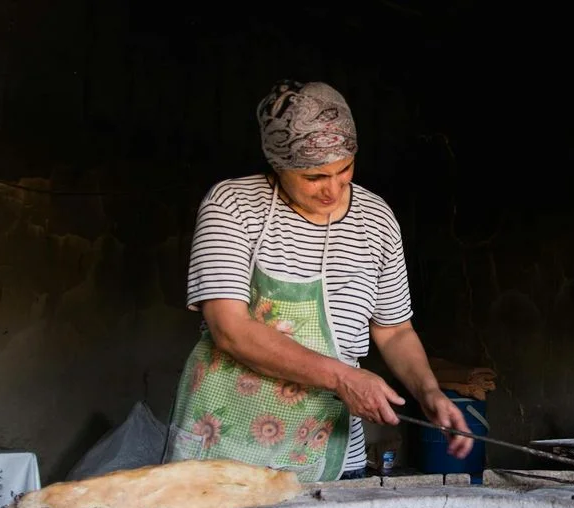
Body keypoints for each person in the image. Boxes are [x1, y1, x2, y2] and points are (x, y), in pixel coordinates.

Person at [164, 79, 472, 481]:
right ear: (278, 166)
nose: (332, 188)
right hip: (226, 448)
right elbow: (230, 329)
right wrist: (342, 377)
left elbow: (394, 330)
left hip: (331, 453)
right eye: (313, 177)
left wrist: (428, 392)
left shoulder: (376, 218)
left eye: (344, 169)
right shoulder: (232, 205)